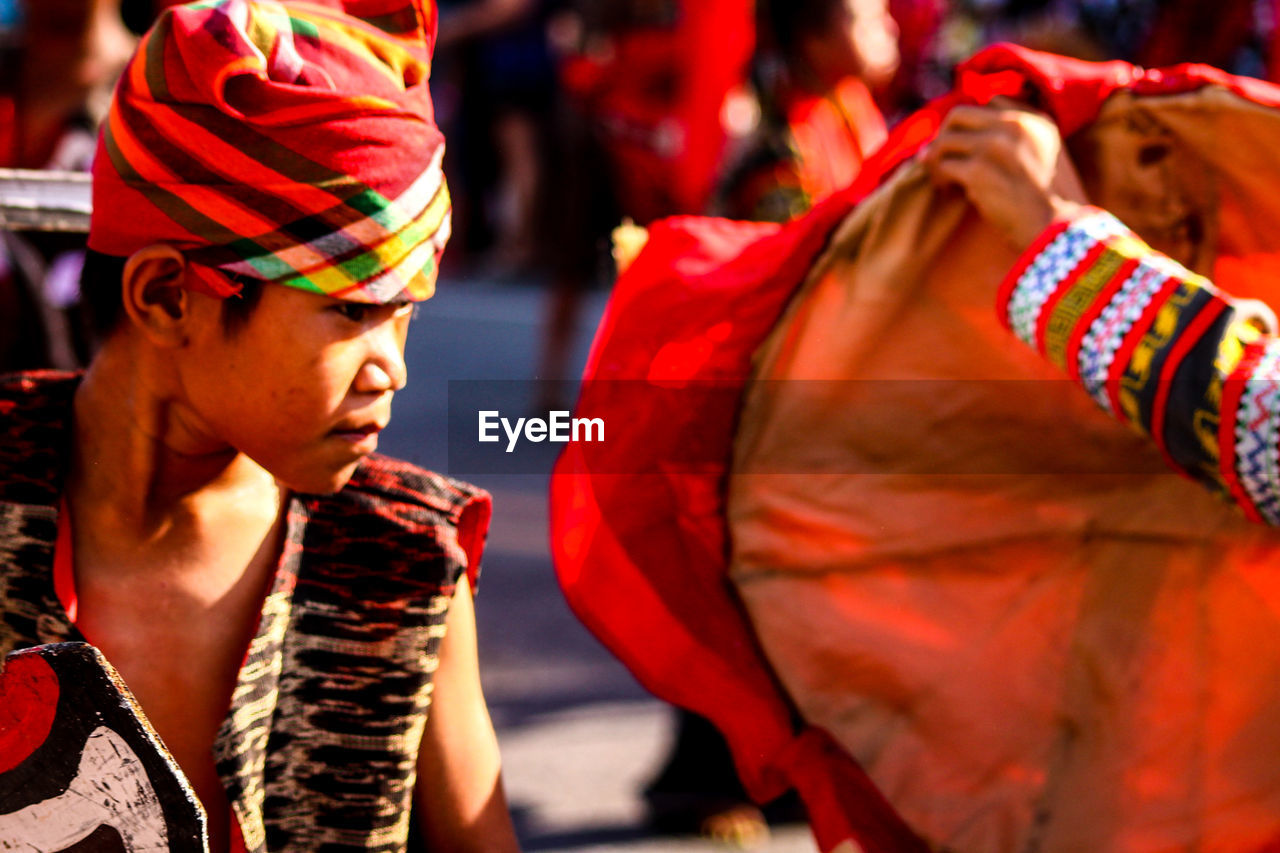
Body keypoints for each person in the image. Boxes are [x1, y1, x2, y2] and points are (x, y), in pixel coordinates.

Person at [0, 1, 521, 851]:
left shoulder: (399, 570)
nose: (392, 367)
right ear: (170, 296)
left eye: (406, 317)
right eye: (353, 310)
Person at [715, 0, 897, 223]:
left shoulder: (850, 97)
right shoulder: (783, 156)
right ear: (814, 41)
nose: (891, 28)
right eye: (868, 22)